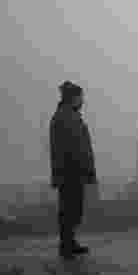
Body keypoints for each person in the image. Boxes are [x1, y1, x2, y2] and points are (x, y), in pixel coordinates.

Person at [50, 81, 98, 258]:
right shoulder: (66, 117)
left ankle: (69, 242)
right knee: (69, 209)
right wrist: (83, 169)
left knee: (73, 208)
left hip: (71, 171)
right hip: (71, 172)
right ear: (73, 98)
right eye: (80, 97)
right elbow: (73, 148)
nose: (82, 101)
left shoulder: (68, 116)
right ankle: (67, 245)